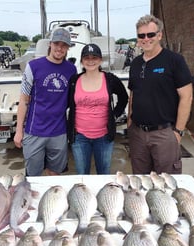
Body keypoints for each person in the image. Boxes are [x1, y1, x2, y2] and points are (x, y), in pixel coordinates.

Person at [127, 14, 193, 175]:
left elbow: (187, 97)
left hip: (164, 134)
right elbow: (133, 95)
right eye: (141, 35)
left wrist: (178, 132)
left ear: (159, 35)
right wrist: (130, 123)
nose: (146, 39)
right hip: (138, 133)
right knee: (139, 183)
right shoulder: (135, 64)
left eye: (150, 34)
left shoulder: (174, 61)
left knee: (166, 184)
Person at [13, 28, 77, 176]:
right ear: (50, 44)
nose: (60, 48)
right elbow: (23, 100)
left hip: (59, 132)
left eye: (64, 45)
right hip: (35, 131)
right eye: (57, 44)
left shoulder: (71, 70)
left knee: (55, 175)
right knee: (33, 177)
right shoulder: (33, 66)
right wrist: (18, 131)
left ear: (68, 48)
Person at [67, 43, 128, 175]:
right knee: (82, 174)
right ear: (82, 61)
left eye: (94, 57)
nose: (90, 61)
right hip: (79, 137)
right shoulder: (74, 80)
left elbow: (124, 97)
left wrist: (114, 115)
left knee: (104, 173)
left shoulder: (110, 79)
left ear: (100, 60)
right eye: (86, 57)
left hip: (104, 137)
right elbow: (65, 103)